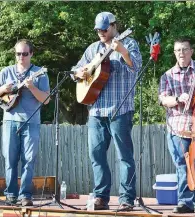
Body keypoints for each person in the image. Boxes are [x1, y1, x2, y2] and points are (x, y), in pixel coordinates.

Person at [72, 12, 142, 210]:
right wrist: (80, 72)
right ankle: (101, 196)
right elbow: (75, 71)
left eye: (104, 28)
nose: (101, 32)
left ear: (114, 26)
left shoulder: (128, 43)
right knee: (96, 156)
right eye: (98, 30)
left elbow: (137, 66)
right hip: (96, 110)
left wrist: (123, 52)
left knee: (124, 156)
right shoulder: (93, 49)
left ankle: (126, 198)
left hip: (120, 109)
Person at [0, 39, 50, 206]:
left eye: (25, 54)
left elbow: (46, 99)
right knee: (9, 160)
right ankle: (11, 195)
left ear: (31, 53)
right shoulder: (6, 72)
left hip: (31, 122)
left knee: (28, 160)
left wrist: (32, 87)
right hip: (10, 121)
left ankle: (25, 195)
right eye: (18, 54)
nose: (21, 57)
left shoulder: (40, 73)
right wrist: (5, 89)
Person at [158, 38, 195, 213]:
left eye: (184, 49)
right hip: (178, 125)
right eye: (178, 50)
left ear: (191, 51)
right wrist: (178, 99)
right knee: (182, 165)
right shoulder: (167, 75)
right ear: (174, 53)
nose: (181, 53)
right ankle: (186, 202)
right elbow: (163, 99)